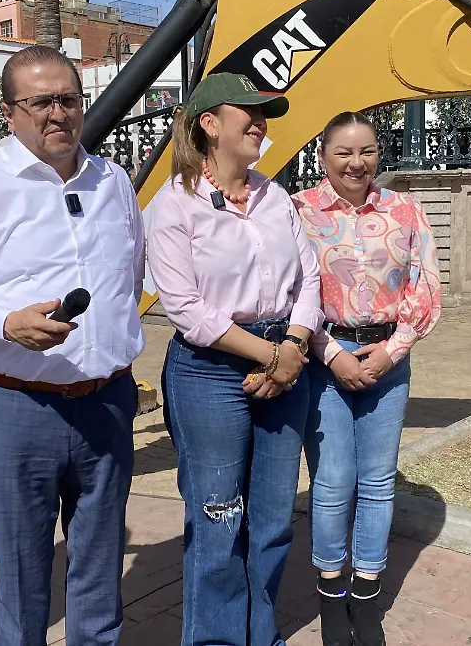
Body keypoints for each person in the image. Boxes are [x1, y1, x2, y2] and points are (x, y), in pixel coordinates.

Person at [0, 45, 145, 646]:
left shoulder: (113, 182)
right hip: (17, 409)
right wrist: (4, 321)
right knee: (22, 576)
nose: (58, 114)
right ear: (9, 111)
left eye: (68, 100)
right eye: (40, 101)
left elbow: (130, 277)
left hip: (105, 402)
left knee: (99, 571)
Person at [145, 72, 325, 646]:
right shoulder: (174, 204)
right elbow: (186, 309)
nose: (259, 122)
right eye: (246, 111)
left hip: (284, 361)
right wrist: (273, 355)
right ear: (208, 123)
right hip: (209, 371)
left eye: (264, 112)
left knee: (272, 522)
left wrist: (293, 349)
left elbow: (309, 278)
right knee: (218, 519)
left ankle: (260, 634)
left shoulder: (274, 196)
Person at [291, 111, 442, 646]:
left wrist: (393, 350)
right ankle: (331, 594)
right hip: (322, 356)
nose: (357, 163)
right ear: (323, 155)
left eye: (368, 151)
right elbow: (291, 291)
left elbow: (427, 284)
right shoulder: (300, 211)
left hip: (388, 356)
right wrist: (331, 354)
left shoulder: (404, 209)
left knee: (377, 480)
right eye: (344, 153)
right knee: (332, 480)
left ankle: (367, 594)